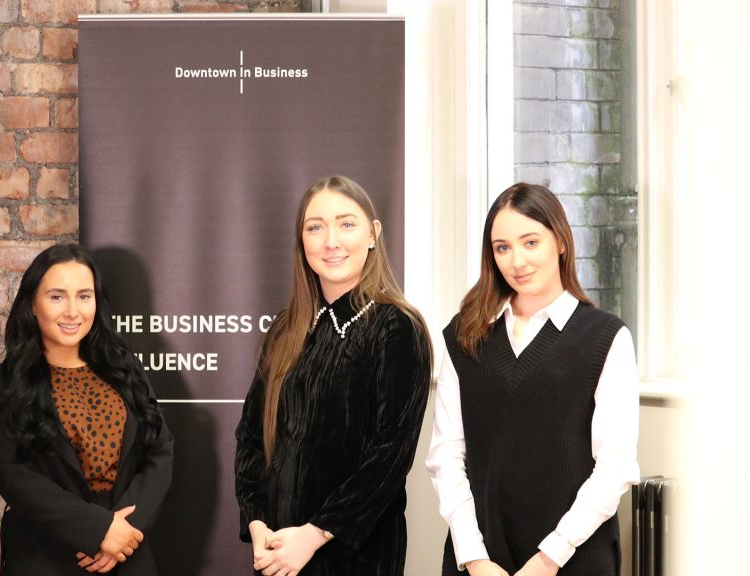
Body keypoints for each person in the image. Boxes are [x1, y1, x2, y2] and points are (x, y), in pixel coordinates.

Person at [426, 183, 640, 576]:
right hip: (479, 561)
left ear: (560, 242)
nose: (517, 261)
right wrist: (474, 558)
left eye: (530, 242)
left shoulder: (606, 337)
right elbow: (446, 457)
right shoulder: (463, 336)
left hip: (574, 559)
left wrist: (549, 558)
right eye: (502, 248)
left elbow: (615, 466)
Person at [234, 175, 433, 576]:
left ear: (373, 234)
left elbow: (390, 456)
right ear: (301, 240)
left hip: (355, 555)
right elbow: (252, 437)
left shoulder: (396, 327)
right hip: (277, 553)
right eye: (315, 227)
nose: (330, 241)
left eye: (346, 224)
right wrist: (256, 522)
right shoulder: (285, 329)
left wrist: (313, 535)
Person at [0, 243, 173, 575]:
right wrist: (98, 530)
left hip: (127, 551)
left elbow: (160, 450)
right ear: (32, 305)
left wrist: (124, 531)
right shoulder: (1, 385)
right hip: (46, 555)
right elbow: (15, 477)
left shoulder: (125, 369)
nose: (72, 311)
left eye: (84, 296)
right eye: (57, 297)